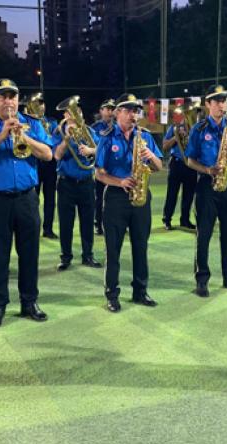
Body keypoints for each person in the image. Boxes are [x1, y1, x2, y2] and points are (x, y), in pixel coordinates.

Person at [0, 78, 53, 327]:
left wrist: (23, 136)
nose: (8, 101)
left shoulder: (33, 123)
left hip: (27, 198)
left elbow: (48, 154)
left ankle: (29, 302)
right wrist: (2, 135)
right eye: (3, 96)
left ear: (18, 99)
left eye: (12, 96)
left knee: (29, 254)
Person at [94, 93, 164, 313]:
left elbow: (159, 166)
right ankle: (112, 294)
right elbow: (99, 173)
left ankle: (140, 291)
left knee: (141, 246)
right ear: (118, 113)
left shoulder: (144, 136)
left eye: (136, 111)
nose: (133, 115)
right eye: (129, 110)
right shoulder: (106, 137)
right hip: (116, 197)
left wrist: (150, 155)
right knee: (113, 249)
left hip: (141, 195)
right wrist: (120, 181)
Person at [185, 85, 227, 297]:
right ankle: (202, 279)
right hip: (207, 184)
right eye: (217, 101)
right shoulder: (199, 129)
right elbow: (190, 160)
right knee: (204, 233)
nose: (222, 105)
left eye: (224, 101)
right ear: (208, 104)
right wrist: (208, 170)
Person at [52, 98, 103, 271]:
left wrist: (91, 150)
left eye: (77, 112)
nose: (75, 115)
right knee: (66, 222)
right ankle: (65, 257)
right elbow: (57, 155)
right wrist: (67, 138)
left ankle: (88, 255)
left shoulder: (89, 130)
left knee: (87, 221)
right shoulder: (58, 131)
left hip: (87, 182)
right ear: (65, 115)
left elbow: (101, 150)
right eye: (70, 112)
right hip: (66, 183)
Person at [26, 92, 59, 239]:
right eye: (36, 103)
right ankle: (32, 228)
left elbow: (55, 141)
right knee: (33, 199)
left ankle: (48, 229)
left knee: (50, 198)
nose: (40, 106)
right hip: (34, 162)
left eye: (42, 103)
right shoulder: (27, 122)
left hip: (50, 164)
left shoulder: (52, 122)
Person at [160, 103, 197, 230]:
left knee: (189, 194)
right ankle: (167, 219)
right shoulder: (174, 128)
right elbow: (165, 146)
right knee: (172, 193)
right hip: (177, 163)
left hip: (191, 164)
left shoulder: (196, 129)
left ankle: (185, 220)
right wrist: (176, 138)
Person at [91, 98, 116, 235]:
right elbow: (93, 146)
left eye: (113, 109)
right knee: (99, 198)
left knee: (115, 197)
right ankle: (98, 223)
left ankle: (115, 223)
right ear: (101, 111)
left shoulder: (118, 127)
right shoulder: (95, 127)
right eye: (108, 109)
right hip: (101, 167)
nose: (111, 112)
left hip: (115, 168)